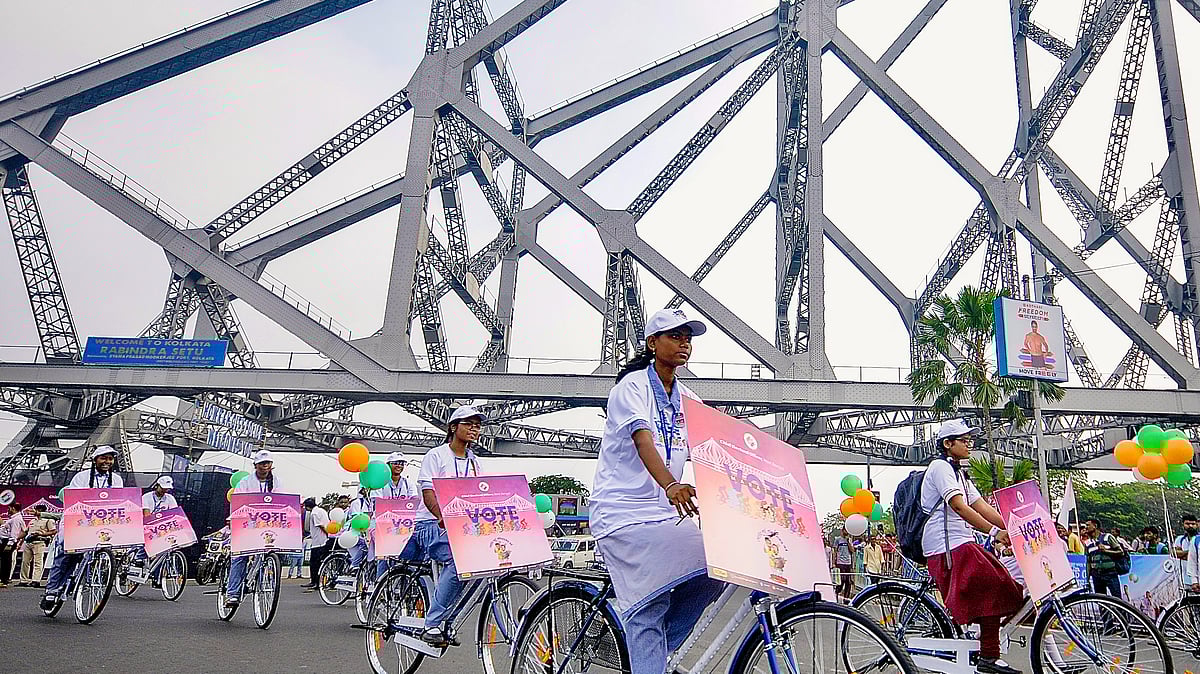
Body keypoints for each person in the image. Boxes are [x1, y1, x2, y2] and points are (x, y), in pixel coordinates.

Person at [588, 308, 726, 674]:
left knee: (721, 565)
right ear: (652, 343)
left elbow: (714, 445)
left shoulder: (688, 397)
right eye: (675, 336)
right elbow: (642, 439)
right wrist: (671, 484)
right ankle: (648, 655)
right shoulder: (630, 388)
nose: (684, 343)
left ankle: (653, 655)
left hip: (666, 515)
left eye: (688, 338)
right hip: (622, 513)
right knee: (648, 605)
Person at [921, 420, 1024, 674]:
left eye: (970, 440)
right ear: (948, 444)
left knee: (998, 584)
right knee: (994, 581)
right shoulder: (939, 468)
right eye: (964, 440)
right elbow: (959, 506)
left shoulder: (960, 474)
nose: (969, 444)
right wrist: (994, 532)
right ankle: (988, 655)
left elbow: (982, 507)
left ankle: (983, 642)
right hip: (946, 545)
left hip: (961, 541)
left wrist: (1014, 528)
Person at [397, 405, 487, 646]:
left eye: (477, 425)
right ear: (453, 427)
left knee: (485, 566)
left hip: (462, 527)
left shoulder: (476, 462)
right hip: (430, 524)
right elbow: (428, 492)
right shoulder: (436, 455)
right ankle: (432, 624)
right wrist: (441, 515)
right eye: (468, 423)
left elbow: (479, 496)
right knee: (460, 561)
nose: (474, 428)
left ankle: (448, 621)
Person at [40, 446, 124, 611]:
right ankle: (51, 590)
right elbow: (74, 502)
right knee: (65, 554)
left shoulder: (117, 480)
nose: (107, 461)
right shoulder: (81, 477)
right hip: (78, 520)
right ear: (95, 460)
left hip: (101, 522)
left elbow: (117, 502)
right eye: (103, 458)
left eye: (110, 458)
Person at [224, 450, 283, 609]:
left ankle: (258, 577)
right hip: (247, 523)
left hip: (267, 523)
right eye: (262, 464)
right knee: (240, 556)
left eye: (268, 463)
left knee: (269, 550)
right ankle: (233, 593)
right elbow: (237, 503)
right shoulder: (245, 482)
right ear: (255, 465)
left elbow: (281, 501)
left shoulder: (276, 481)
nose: (265, 467)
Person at [371, 452, 415, 579]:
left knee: (405, 557)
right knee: (384, 558)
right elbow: (377, 501)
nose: (399, 466)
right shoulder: (380, 482)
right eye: (396, 463)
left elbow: (414, 501)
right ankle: (380, 586)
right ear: (388, 465)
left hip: (403, 525)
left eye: (401, 463)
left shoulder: (408, 483)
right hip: (383, 525)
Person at [1084, 518, 1124, 597]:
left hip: (1110, 573)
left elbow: (1121, 552)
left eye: (1088, 525)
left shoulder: (1108, 537)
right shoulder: (1088, 543)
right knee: (1101, 601)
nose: (1086, 527)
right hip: (1096, 575)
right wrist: (1087, 579)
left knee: (1117, 599)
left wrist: (1106, 551)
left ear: (1095, 526)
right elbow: (1088, 562)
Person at [302, 497, 334, 589]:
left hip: (318, 541)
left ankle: (315, 582)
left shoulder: (314, 513)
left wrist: (327, 534)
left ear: (307, 507)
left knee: (314, 563)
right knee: (320, 562)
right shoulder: (322, 510)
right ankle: (319, 581)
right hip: (322, 540)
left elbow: (320, 525)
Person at [19, 504, 55, 587]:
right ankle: (24, 580)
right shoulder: (32, 521)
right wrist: (16, 539)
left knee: (38, 562)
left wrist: (42, 533)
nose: (34, 512)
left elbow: (53, 531)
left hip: (39, 542)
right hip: (29, 542)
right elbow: (25, 532)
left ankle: (36, 580)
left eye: (36, 510)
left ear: (40, 511)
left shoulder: (48, 520)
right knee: (25, 561)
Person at [347, 486, 373, 572]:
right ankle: (354, 565)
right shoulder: (357, 503)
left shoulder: (371, 503)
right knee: (365, 545)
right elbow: (356, 520)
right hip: (354, 533)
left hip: (367, 533)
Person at [0, 501, 25, 586]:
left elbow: (14, 533)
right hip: (4, 541)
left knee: (6, 561)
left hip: (8, 542)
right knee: (4, 561)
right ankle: (3, 579)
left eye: (9, 508)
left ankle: (4, 580)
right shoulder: (13, 518)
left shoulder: (16, 519)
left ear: (13, 508)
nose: (8, 510)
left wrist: (9, 544)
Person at [832, 531, 854, 601]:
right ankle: (837, 592)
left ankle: (846, 599)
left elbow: (852, 551)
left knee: (848, 582)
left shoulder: (849, 540)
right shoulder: (838, 539)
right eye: (845, 530)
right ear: (842, 530)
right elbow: (835, 551)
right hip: (840, 562)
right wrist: (833, 562)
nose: (846, 532)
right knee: (842, 580)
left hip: (848, 562)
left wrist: (848, 542)